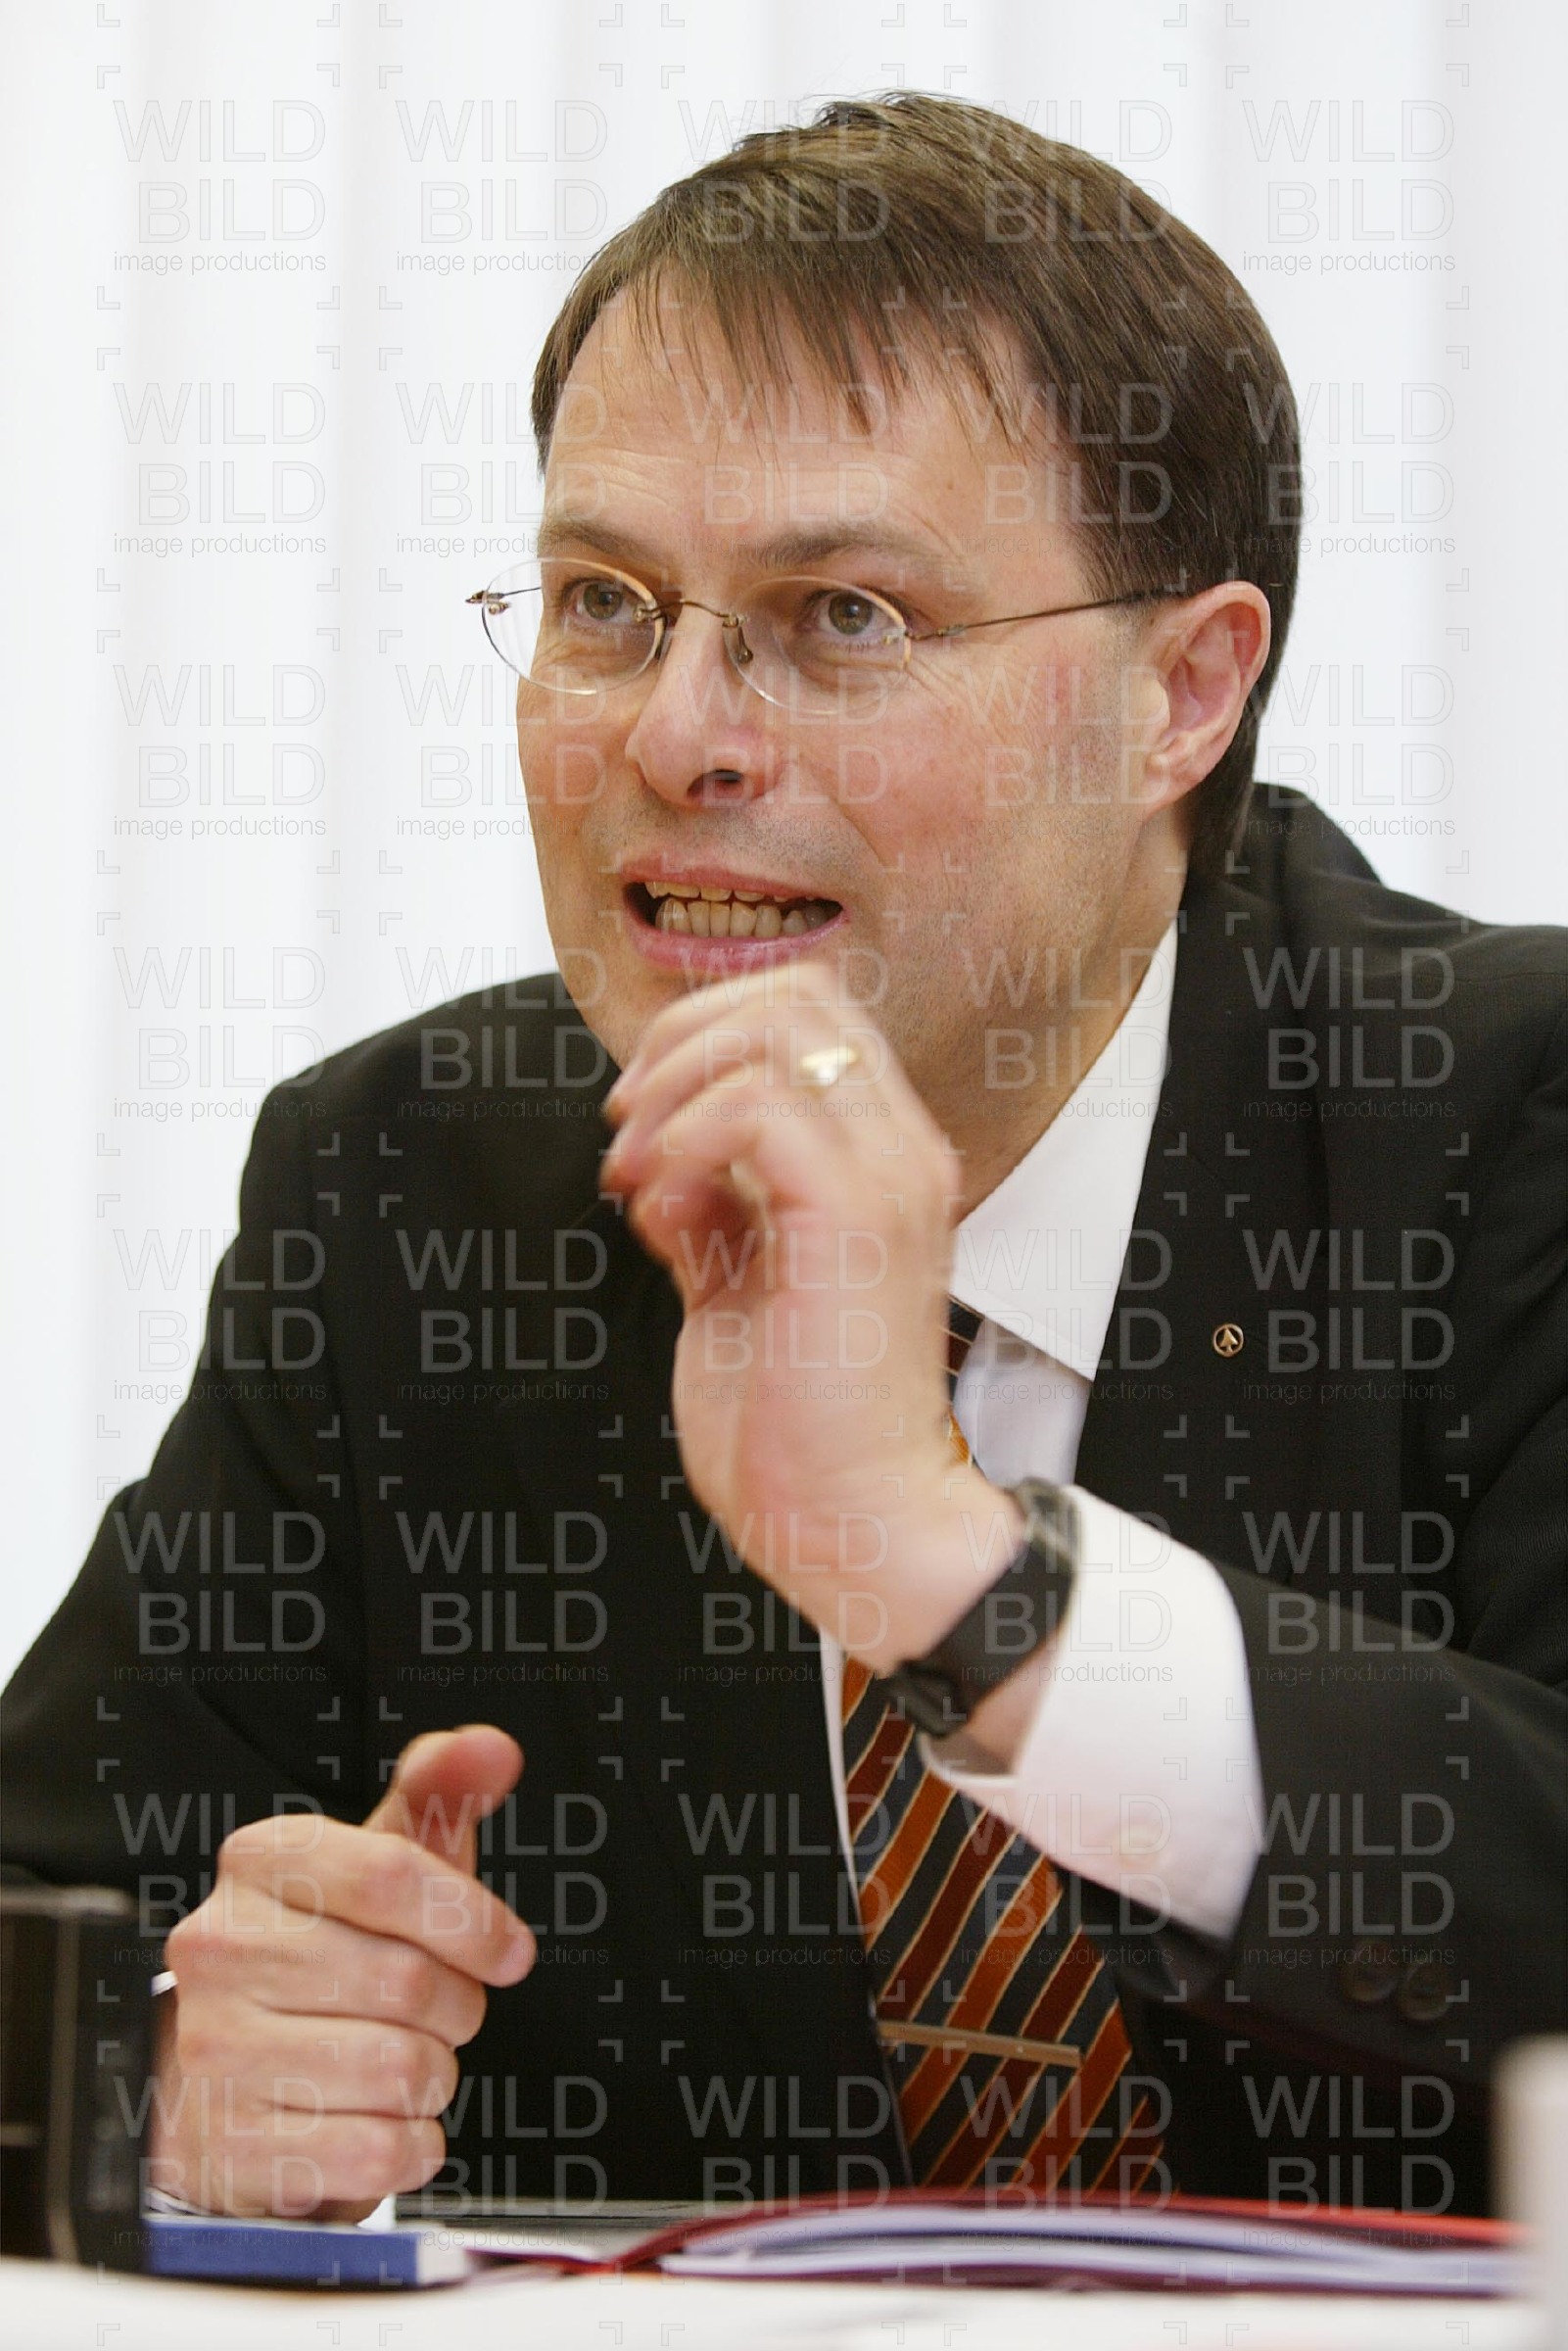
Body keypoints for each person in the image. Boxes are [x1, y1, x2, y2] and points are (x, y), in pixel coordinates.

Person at [4, 92, 1565, 2224]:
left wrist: (955, 1574)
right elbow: (52, 1926)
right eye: (605, 602)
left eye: (842, 615)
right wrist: (159, 2075)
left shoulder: (1506, 1125)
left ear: (1182, 696)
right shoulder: (410, 1190)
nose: (676, 737)